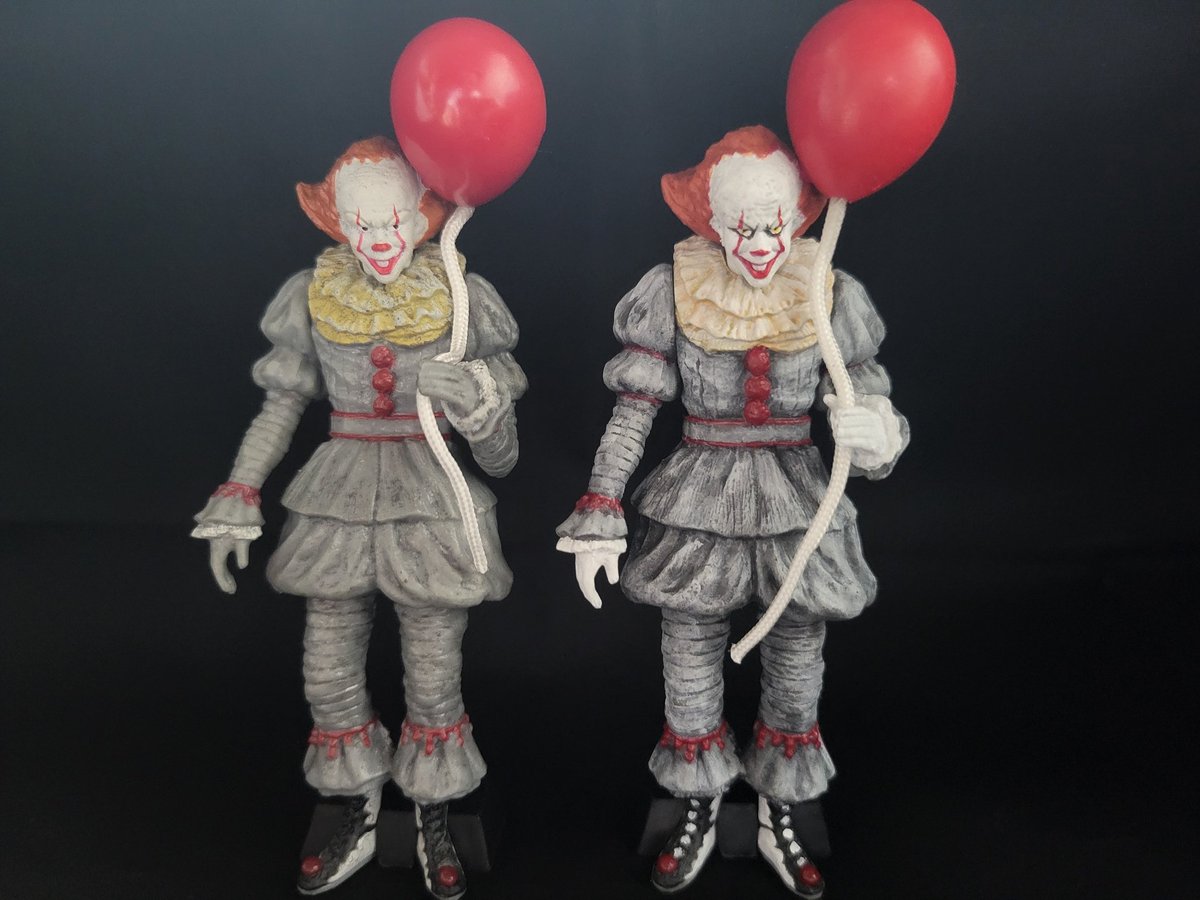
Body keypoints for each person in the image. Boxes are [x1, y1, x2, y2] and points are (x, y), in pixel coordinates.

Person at [556, 125, 908, 898]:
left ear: (799, 219)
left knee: (798, 661)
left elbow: (871, 403)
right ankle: (699, 803)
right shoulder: (673, 289)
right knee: (688, 655)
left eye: (775, 224)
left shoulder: (830, 291)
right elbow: (634, 409)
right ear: (715, 223)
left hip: (798, 502)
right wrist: (601, 508)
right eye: (742, 227)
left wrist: (878, 434)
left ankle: (781, 806)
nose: (760, 243)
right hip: (699, 498)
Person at [192, 136, 525, 898]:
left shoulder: (463, 297)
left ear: (421, 217)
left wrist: (477, 409)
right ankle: (360, 806)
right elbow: (283, 402)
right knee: (327, 669)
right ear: (338, 224)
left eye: (393, 221)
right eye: (361, 224)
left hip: (430, 498)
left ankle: (433, 811)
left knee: (434, 675)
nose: (379, 239)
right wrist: (240, 491)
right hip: (337, 498)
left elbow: (503, 456)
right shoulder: (313, 293)